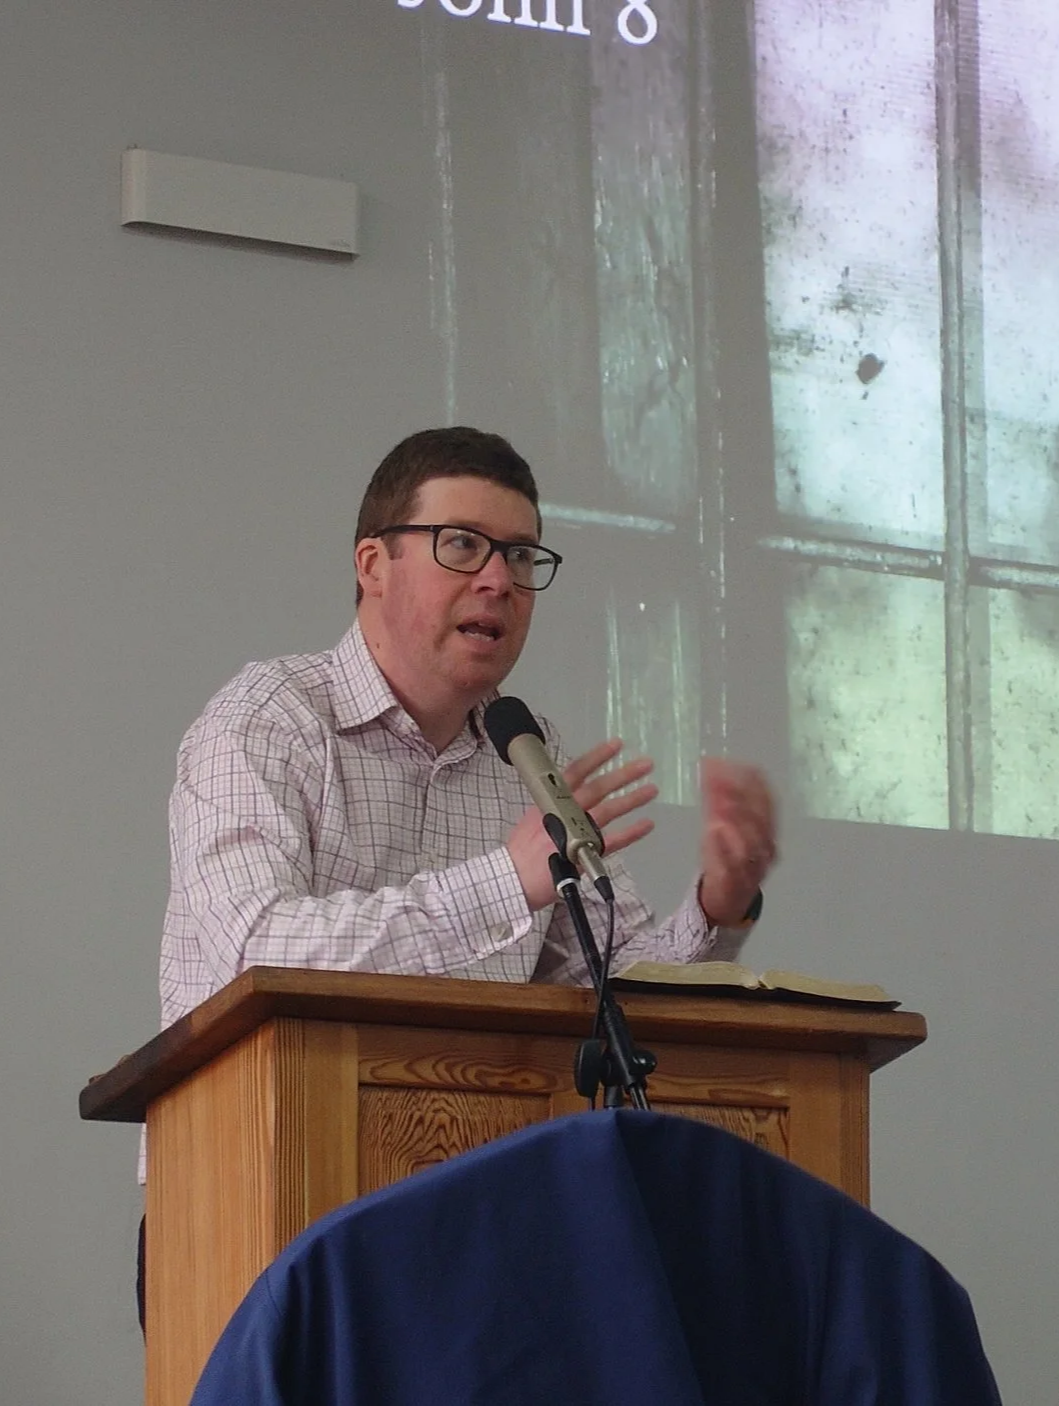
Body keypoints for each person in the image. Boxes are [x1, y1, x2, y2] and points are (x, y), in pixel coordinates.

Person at [140, 426, 778, 1325]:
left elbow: (606, 979)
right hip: (261, 1194)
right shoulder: (268, 719)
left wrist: (718, 907)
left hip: (486, 1224)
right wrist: (506, 880)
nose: (499, 579)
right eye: (463, 546)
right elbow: (256, 948)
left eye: (521, 555)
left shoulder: (527, 749)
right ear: (373, 563)